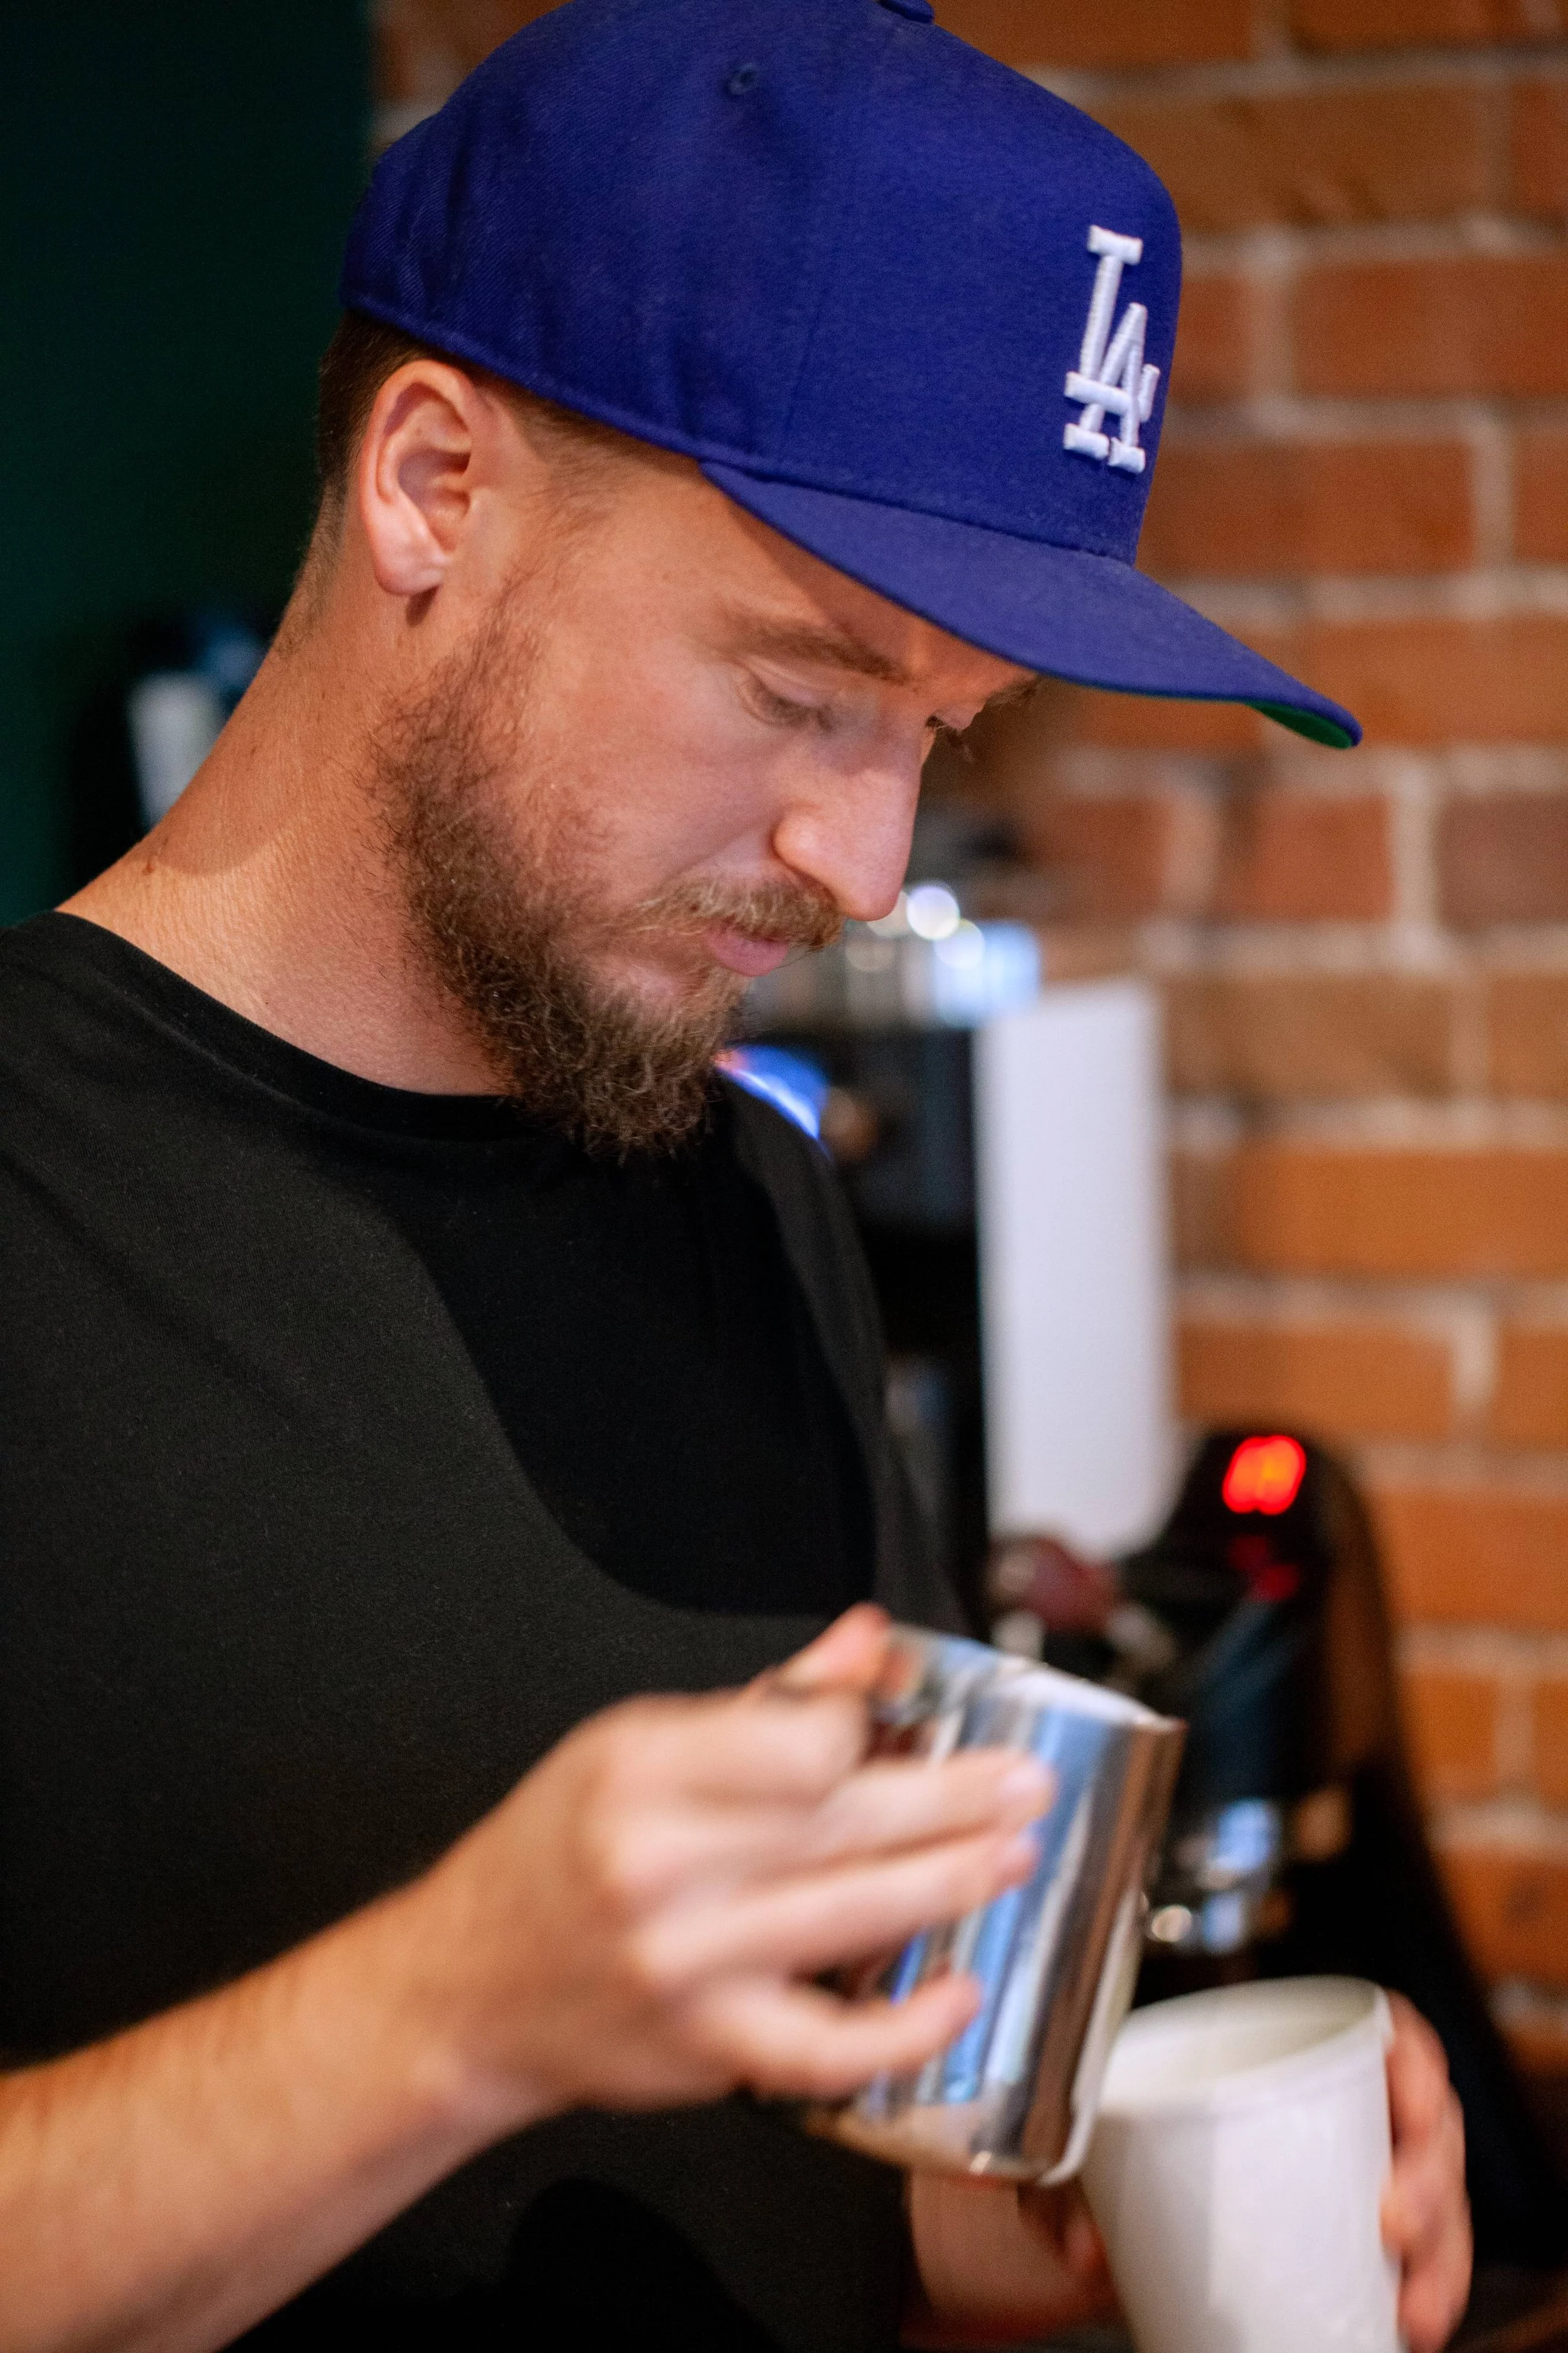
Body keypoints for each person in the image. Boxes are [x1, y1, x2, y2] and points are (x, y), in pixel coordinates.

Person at [0, 1, 1471, 2345]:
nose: (863, 855)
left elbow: (841, 2192)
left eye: (941, 730)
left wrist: (1108, 2217)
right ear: (431, 490)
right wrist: (442, 2016)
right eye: (799, 693)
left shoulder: (753, 1211)